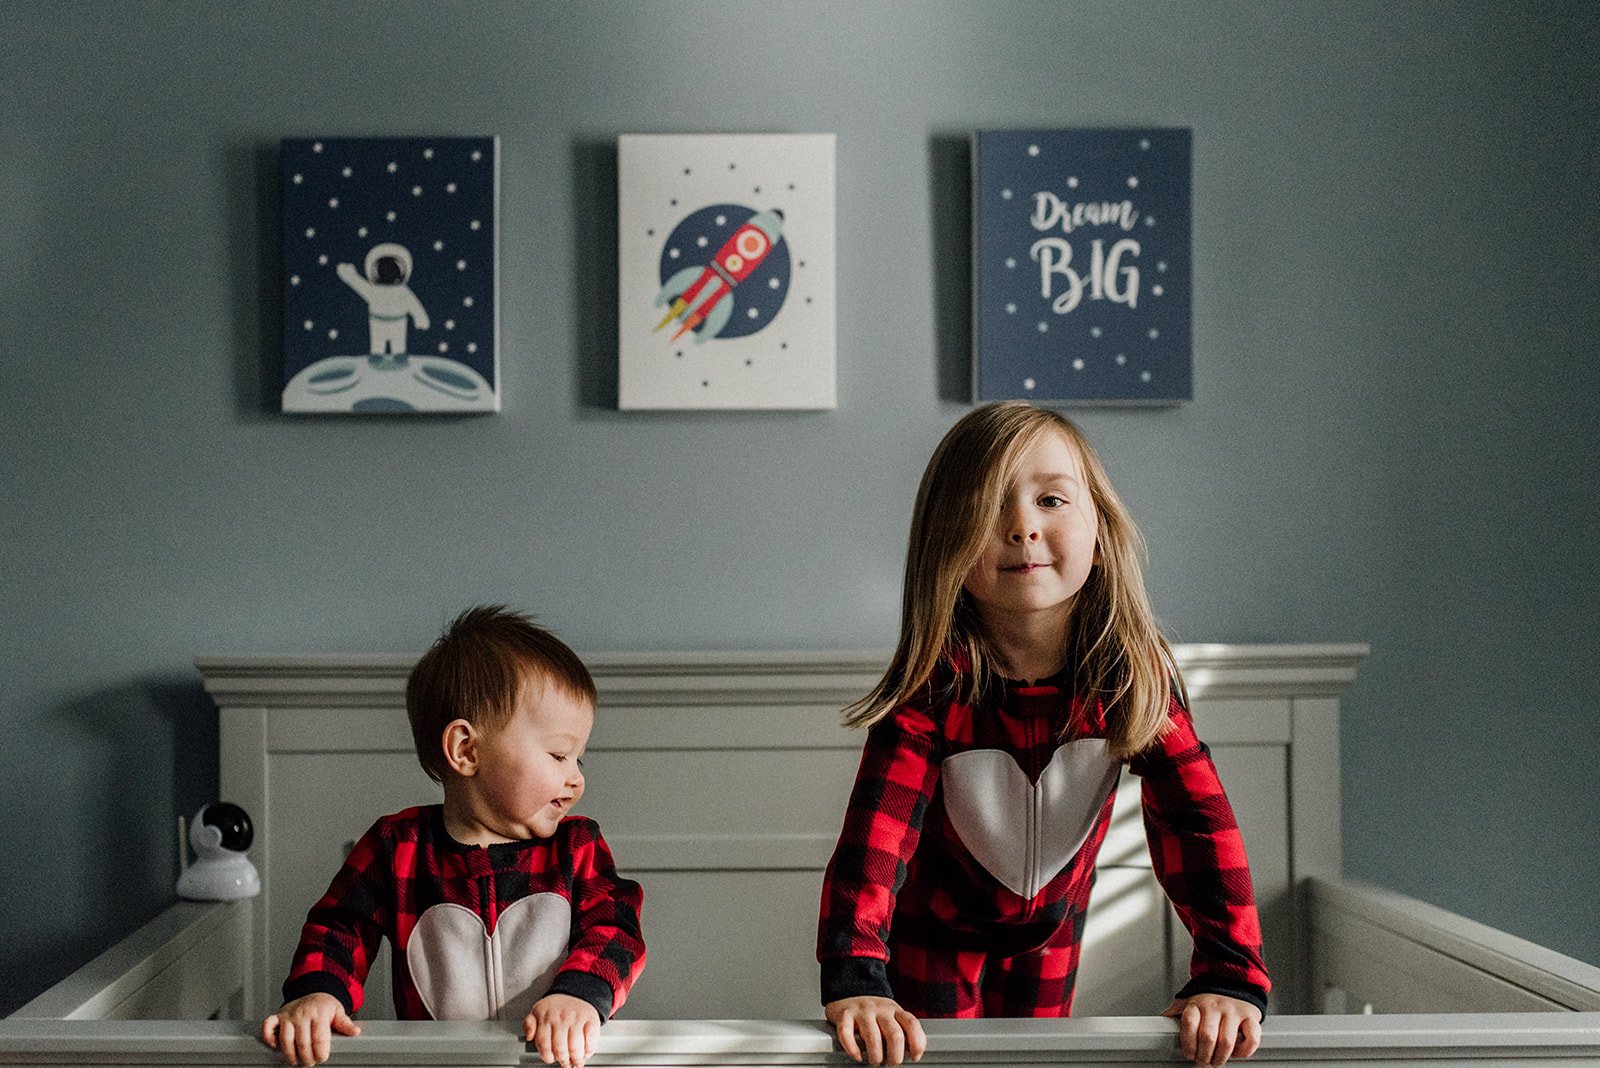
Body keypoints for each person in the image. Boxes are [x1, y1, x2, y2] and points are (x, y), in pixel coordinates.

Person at [817, 402, 1269, 1068]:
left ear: (1101, 529)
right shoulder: (934, 689)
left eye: (1051, 499)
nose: (1022, 527)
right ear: (946, 540)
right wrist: (857, 978)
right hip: (932, 935)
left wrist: (1231, 973)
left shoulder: (1128, 677)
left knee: (1034, 1062)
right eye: (988, 506)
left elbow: (1197, 827)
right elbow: (874, 843)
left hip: (1052, 933)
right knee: (933, 1061)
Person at [260, 606, 644, 1068]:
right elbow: (339, 926)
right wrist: (317, 994)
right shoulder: (397, 846)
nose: (576, 779)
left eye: (579, 760)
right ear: (466, 749)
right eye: (560, 755)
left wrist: (580, 996)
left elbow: (617, 929)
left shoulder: (576, 847)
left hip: (554, 1060)